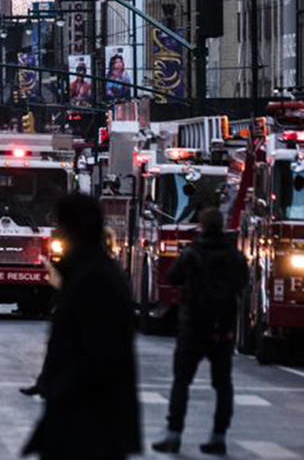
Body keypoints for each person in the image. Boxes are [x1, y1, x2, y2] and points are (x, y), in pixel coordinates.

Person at [23, 194, 141, 460]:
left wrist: (61, 398)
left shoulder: (93, 279)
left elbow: (97, 354)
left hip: (88, 420)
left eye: (62, 224)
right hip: (89, 416)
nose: (58, 231)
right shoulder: (91, 273)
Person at [152, 208, 248, 456]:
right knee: (223, 385)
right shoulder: (234, 255)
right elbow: (243, 282)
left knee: (181, 383)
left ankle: (174, 435)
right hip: (223, 328)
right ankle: (219, 436)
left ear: (202, 227)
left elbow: (173, 278)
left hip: (193, 327)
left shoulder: (192, 253)